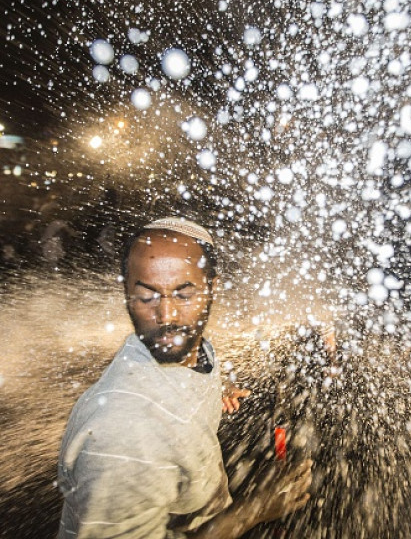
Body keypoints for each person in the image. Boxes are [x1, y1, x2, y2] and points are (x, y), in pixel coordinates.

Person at [57, 217, 312, 538]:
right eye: (147, 295)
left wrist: (212, 386)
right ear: (126, 292)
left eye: (183, 294)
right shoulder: (122, 434)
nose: (166, 316)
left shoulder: (189, 350)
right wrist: (255, 509)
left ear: (211, 289)